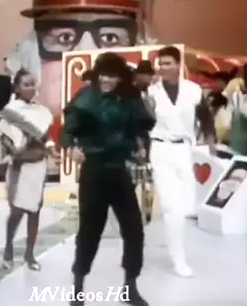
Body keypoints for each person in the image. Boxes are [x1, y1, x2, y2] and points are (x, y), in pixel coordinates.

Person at [62, 52, 154, 306]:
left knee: (134, 231)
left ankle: (130, 287)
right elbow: (67, 131)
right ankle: (78, 289)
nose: (106, 80)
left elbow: (139, 128)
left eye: (112, 76)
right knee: (89, 232)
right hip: (94, 172)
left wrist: (139, 146)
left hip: (120, 172)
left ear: (120, 77)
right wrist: (72, 148)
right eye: (103, 74)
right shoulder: (86, 97)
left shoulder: (129, 99)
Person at [147, 46, 212, 277]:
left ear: (178, 64)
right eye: (160, 63)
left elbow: (205, 117)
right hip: (160, 148)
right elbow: (144, 122)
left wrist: (210, 142)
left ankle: (177, 248)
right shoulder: (152, 92)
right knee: (170, 207)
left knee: (185, 207)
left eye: (168, 63)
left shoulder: (193, 90)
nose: (163, 67)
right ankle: (178, 259)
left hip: (185, 149)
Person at [0, 69, 56, 271]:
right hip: (20, 166)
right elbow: (4, 136)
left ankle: (30, 254)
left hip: (38, 164)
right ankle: (8, 249)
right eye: (26, 84)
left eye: (33, 84)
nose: (31, 88)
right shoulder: (9, 111)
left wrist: (51, 148)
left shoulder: (42, 112)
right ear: (17, 87)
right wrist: (16, 151)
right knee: (17, 211)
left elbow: (45, 136)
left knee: (35, 210)